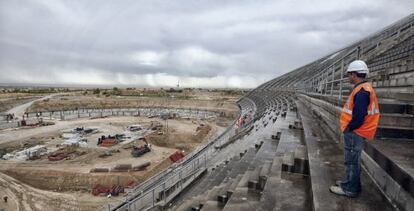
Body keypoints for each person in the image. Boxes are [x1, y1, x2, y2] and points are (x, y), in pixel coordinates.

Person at [329, 60, 380, 197]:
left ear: (354, 74)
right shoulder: (364, 88)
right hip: (358, 131)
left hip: (355, 131)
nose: (348, 77)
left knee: (351, 161)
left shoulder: (362, 91)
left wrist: (349, 128)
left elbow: (358, 117)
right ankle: (350, 184)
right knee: (353, 160)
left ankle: (350, 189)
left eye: (349, 75)